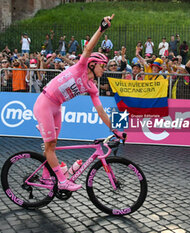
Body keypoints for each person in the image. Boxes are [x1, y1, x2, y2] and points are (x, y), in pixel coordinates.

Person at [33, 14, 125, 192]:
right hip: (44, 103)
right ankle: (61, 181)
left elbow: (101, 112)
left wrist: (114, 130)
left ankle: (46, 176)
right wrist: (101, 29)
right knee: (51, 145)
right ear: (92, 65)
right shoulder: (80, 67)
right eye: (102, 66)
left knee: (51, 145)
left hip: (57, 107)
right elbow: (88, 49)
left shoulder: (92, 87)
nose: (104, 69)